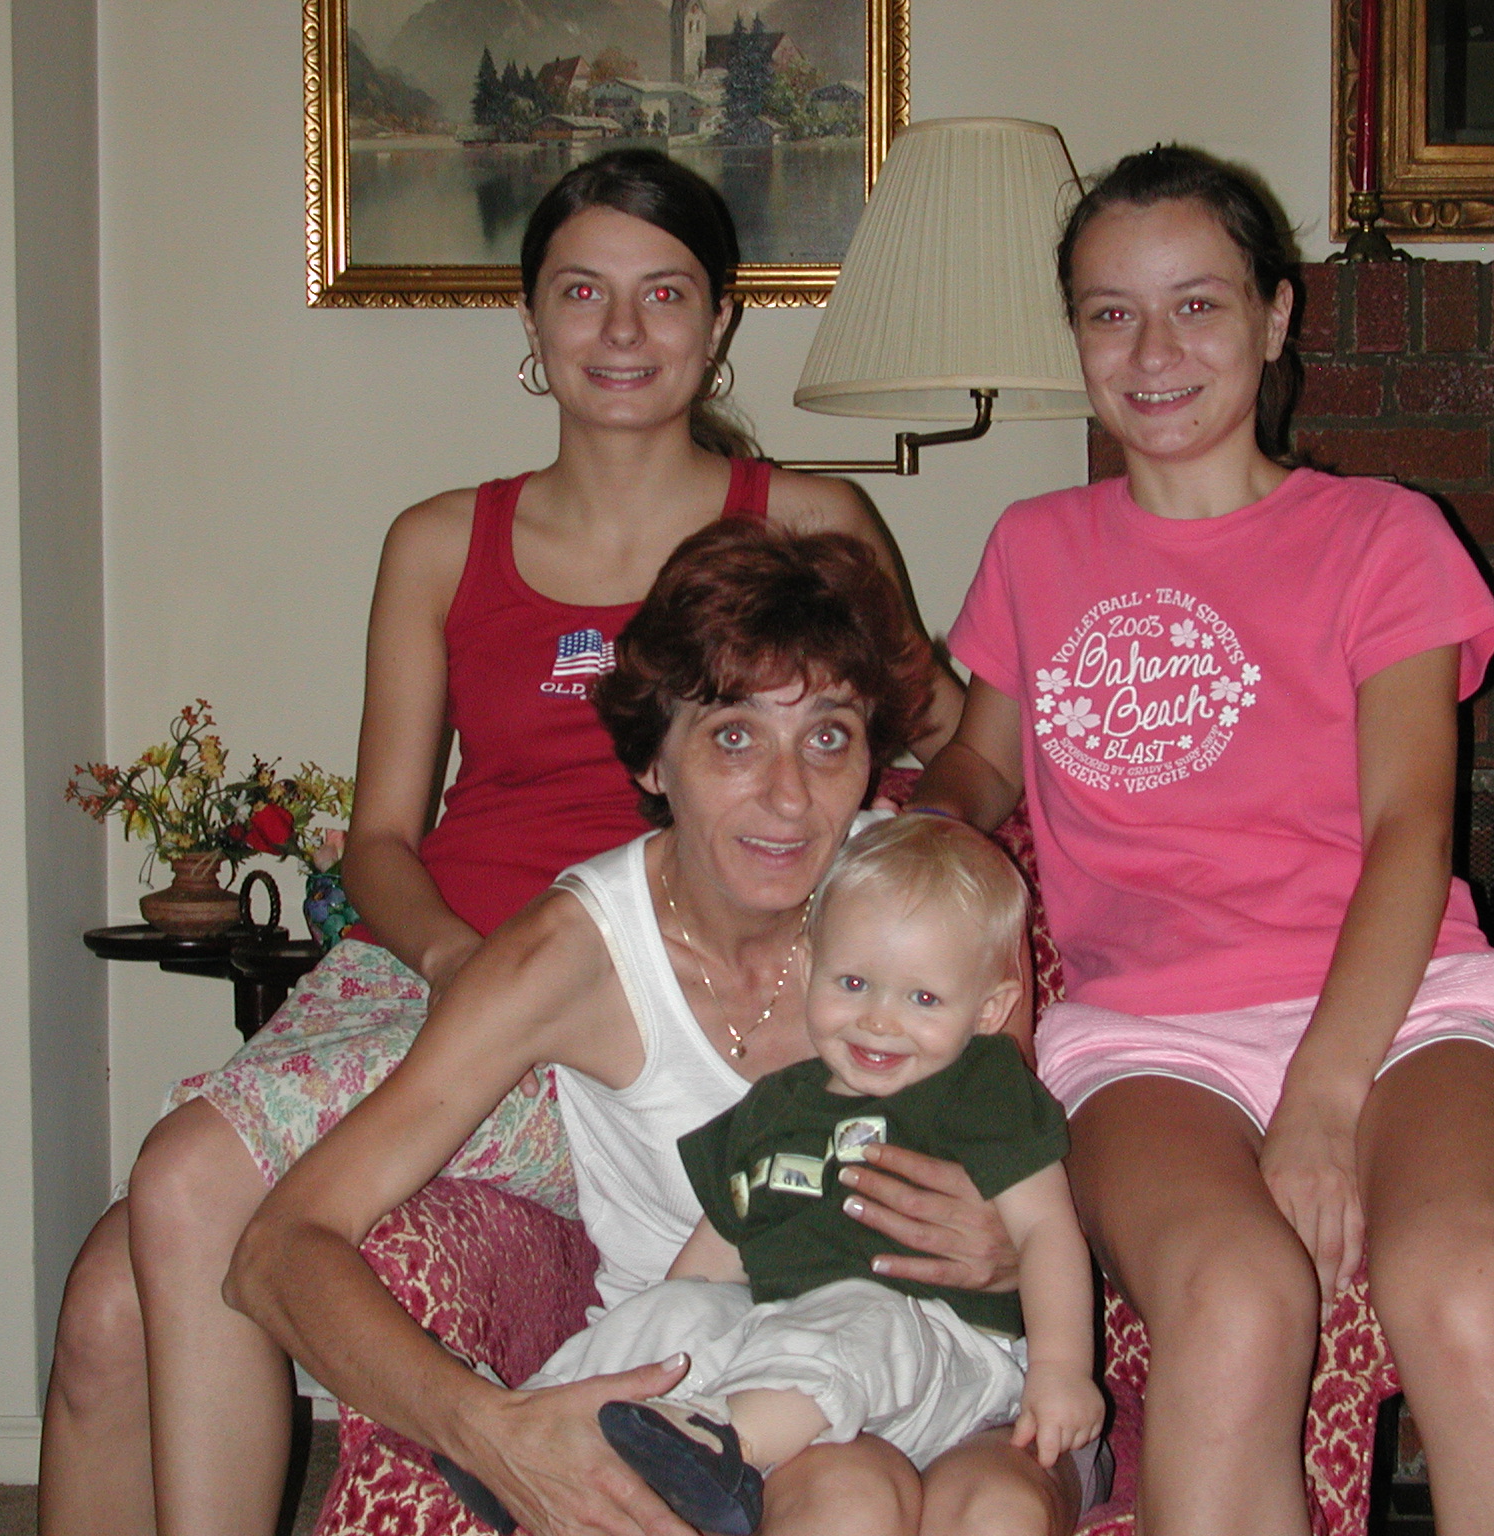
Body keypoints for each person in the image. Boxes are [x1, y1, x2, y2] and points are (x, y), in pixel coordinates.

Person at [38, 149, 962, 1536]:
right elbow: (381, 837)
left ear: (719, 321)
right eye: (581, 292)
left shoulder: (805, 518)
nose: (623, 329)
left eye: (665, 294)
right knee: (106, 1311)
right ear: (530, 318)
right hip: (437, 965)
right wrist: (453, 960)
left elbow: (938, 733)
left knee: (182, 1180)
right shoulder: (437, 541)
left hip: (614, 997)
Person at [910, 145, 1494, 1536]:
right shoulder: (1035, 547)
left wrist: (1324, 1101)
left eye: (1197, 305)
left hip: (1405, 1007)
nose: (1152, 351)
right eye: (1110, 313)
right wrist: (924, 825)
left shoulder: (1381, 536)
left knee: (1466, 1285)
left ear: (1274, 316)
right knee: (1234, 1300)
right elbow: (983, 761)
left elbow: (1410, 828)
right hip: (1147, 1037)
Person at [228, 521, 1089, 1536]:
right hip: (707, 1391)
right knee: (842, 1495)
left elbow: (1022, 1162)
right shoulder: (571, 956)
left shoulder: (933, 909)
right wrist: (484, 1429)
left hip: (962, 1368)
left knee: (995, 1509)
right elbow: (278, 1247)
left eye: (827, 737)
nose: (788, 795)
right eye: (733, 736)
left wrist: (1009, 1249)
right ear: (651, 760)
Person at [480, 814, 1103, 1536]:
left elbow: (1047, 1231)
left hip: (948, 1361)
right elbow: (713, 1255)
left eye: (924, 999)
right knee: (673, 1308)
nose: (880, 1021)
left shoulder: (982, 1085)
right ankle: (543, 1419)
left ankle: (724, 1448)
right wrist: (676, 1324)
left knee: (860, 1311)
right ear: (809, 969)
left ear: (989, 1010)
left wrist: (1062, 1369)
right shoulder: (773, 1106)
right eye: (854, 983)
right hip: (793, 1360)